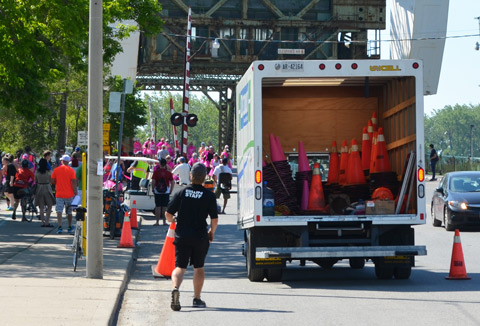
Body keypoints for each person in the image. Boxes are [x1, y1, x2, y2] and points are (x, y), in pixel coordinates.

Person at [166, 162, 218, 311]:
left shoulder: (181, 192)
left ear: (191, 176)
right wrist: (211, 232)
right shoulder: (209, 195)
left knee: (180, 267)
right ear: (204, 178)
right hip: (200, 237)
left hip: (182, 235)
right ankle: (197, 298)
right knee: (198, 267)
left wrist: (174, 220)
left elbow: (168, 214)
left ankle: (176, 288)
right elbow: (214, 220)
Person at [51, 154, 78, 234]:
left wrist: (57, 182)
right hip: (69, 194)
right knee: (69, 211)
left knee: (59, 210)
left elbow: (52, 180)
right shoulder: (71, 170)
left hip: (59, 194)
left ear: (62, 161)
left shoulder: (56, 170)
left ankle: (60, 227)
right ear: (69, 161)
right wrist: (75, 192)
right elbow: (74, 182)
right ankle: (69, 226)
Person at [152, 158, 174, 225]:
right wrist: (170, 190)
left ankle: (157, 222)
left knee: (158, 206)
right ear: (166, 164)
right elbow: (173, 182)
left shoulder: (156, 172)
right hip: (166, 191)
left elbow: (153, 181)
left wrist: (153, 189)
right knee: (164, 207)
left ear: (160, 164)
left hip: (157, 191)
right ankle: (164, 222)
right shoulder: (168, 173)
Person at [35, 158, 56, 227]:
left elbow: (36, 180)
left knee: (41, 206)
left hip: (39, 187)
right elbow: (51, 180)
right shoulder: (49, 171)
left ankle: (42, 222)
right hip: (47, 187)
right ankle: (47, 221)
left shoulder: (37, 172)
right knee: (49, 205)